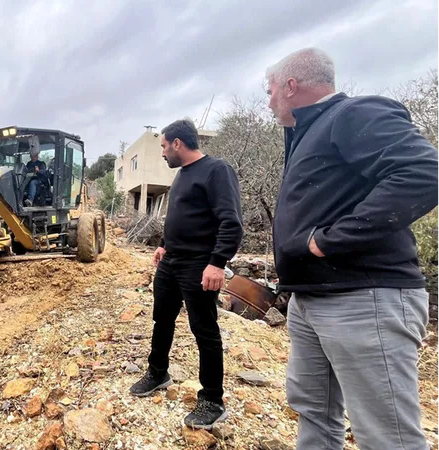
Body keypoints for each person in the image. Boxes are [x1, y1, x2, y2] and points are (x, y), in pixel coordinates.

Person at [266, 48, 439, 450]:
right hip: (313, 300)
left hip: (365, 299)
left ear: (291, 87)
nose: (269, 100)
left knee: (387, 436)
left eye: (270, 90)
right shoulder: (308, 131)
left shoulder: (353, 114)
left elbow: (425, 173)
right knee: (314, 414)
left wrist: (329, 242)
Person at [129, 118, 243, 430]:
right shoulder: (182, 175)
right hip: (172, 261)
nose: (163, 153)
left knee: (204, 330)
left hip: (199, 265)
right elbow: (182, 217)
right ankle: (157, 372)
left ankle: (212, 400)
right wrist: (164, 245)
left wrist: (217, 263)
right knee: (161, 318)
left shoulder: (217, 171)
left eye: (164, 146)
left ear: (178, 143)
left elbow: (231, 222)